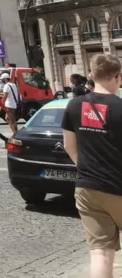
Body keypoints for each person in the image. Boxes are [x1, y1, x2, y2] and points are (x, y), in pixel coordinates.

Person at [63, 54, 122, 278]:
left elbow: (70, 146)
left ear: (91, 76)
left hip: (88, 188)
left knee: (100, 254)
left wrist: (88, 170)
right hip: (119, 186)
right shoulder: (120, 107)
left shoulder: (74, 105)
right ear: (118, 77)